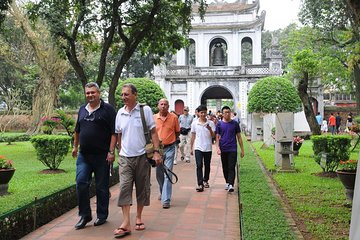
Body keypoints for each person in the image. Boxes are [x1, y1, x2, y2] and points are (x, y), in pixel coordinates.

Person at [114, 83, 162, 237]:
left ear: (135, 95)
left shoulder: (145, 110)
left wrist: (156, 152)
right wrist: (118, 150)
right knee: (124, 188)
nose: (123, 97)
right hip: (125, 158)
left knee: (142, 188)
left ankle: (139, 217)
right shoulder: (120, 113)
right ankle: (126, 222)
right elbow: (118, 133)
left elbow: (154, 133)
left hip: (142, 156)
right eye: (122, 95)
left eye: (126, 94)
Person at [72, 82, 117, 230]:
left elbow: (114, 132)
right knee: (81, 183)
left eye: (93, 92)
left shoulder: (108, 110)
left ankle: (102, 215)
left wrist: (111, 152)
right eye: (87, 93)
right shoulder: (82, 110)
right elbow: (77, 130)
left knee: (101, 187)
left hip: (102, 156)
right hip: (84, 156)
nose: (90, 95)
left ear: (99, 93)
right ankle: (85, 215)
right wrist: (75, 147)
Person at [154, 99, 180, 209]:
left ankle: (166, 199)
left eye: (165, 104)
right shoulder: (153, 117)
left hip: (170, 148)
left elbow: (177, 131)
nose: (163, 106)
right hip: (158, 150)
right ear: (158, 106)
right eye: (161, 104)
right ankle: (162, 191)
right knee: (159, 173)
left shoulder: (174, 118)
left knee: (168, 173)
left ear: (168, 106)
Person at [216, 106, 245, 192]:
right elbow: (217, 137)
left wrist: (242, 150)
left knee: (231, 166)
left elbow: (239, 137)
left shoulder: (235, 124)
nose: (227, 114)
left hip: (232, 148)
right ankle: (227, 182)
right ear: (222, 114)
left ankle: (231, 184)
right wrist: (218, 148)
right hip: (223, 148)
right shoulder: (219, 124)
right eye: (225, 112)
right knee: (225, 167)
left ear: (231, 113)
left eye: (228, 112)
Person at [190, 105, 216, 192]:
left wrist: (210, 129)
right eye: (201, 112)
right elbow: (193, 135)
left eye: (204, 112)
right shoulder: (194, 123)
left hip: (208, 147)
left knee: (207, 165)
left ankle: (206, 180)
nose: (203, 114)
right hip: (198, 147)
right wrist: (191, 147)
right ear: (198, 113)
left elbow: (213, 136)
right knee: (199, 165)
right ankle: (200, 183)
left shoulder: (211, 123)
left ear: (206, 112)